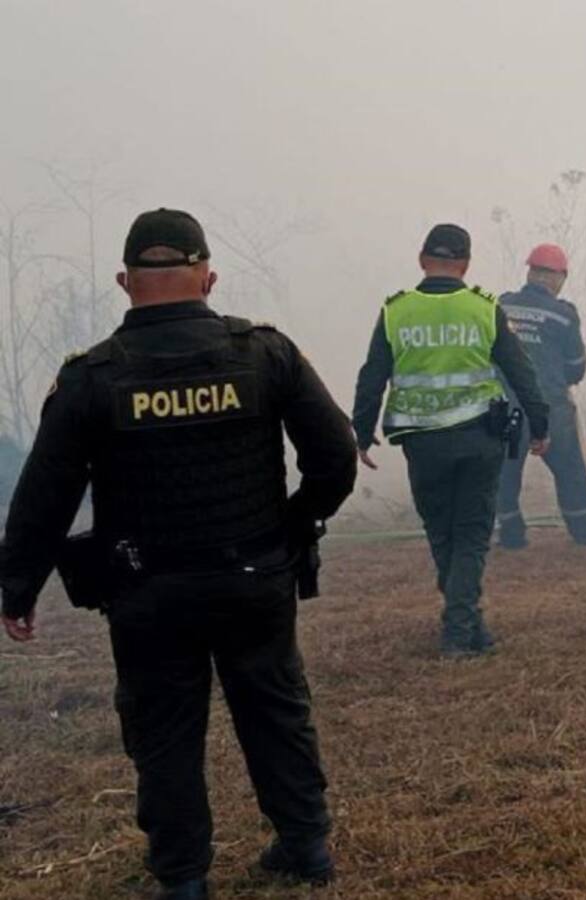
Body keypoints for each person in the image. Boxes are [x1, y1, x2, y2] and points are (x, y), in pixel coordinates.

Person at [0, 209, 358, 899]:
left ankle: (185, 877)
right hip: (255, 574)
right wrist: (294, 523)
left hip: (147, 591)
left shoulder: (90, 379)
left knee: (162, 730)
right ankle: (306, 844)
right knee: (275, 706)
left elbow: (44, 496)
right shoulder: (266, 353)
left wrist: (17, 589)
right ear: (208, 276)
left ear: (124, 281)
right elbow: (334, 455)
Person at [352, 224, 549, 656]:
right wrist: (541, 423)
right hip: (479, 437)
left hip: (423, 442)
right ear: (465, 264)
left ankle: (466, 622)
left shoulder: (396, 311)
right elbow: (521, 371)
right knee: (472, 534)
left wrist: (361, 432)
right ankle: (461, 630)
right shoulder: (484, 308)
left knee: (441, 532)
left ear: (422, 259)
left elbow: (372, 375)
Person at [496, 243, 586, 549]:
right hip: (550, 407)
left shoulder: (501, 307)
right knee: (570, 470)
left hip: (505, 406)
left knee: (504, 472)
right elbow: (576, 367)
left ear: (530, 272)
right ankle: (585, 532)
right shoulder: (563, 315)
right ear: (560, 278)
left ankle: (512, 536)